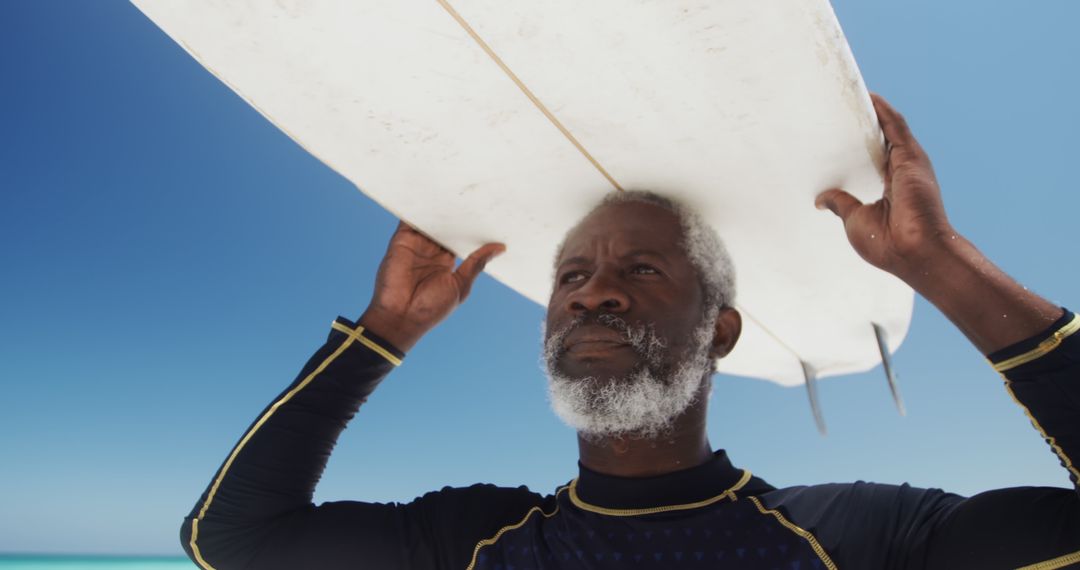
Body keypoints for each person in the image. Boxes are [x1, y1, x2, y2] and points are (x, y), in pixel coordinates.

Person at [179, 95, 1080, 569]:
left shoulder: (858, 536)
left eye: (640, 271)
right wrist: (377, 336)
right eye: (570, 276)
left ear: (720, 331)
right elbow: (232, 541)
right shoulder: (479, 541)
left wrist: (939, 264)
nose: (591, 296)